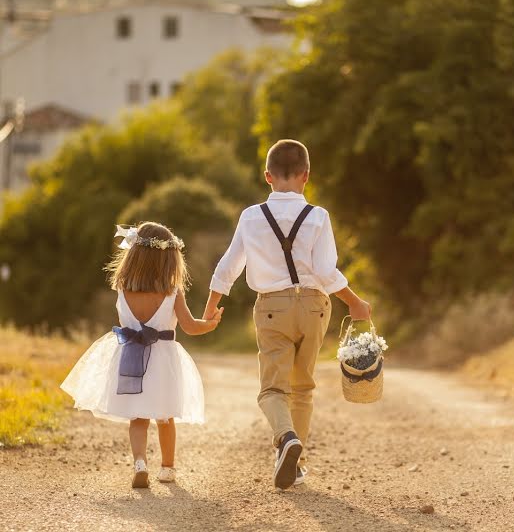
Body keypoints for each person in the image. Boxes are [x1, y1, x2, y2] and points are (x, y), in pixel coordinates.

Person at [204, 139, 371, 490]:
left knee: (272, 390)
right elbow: (326, 271)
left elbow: (230, 264)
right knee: (303, 388)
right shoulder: (319, 216)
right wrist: (354, 301)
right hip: (314, 306)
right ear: (306, 176)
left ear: (268, 176)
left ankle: (286, 438)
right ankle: (296, 464)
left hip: (272, 308)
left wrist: (210, 305)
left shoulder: (251, 216)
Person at [61, 222, 222, 488]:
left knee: (138, 417)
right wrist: (211, 323)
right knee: (165, 416)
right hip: (163, 360)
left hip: (130, 357)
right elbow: (191, 327)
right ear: (169, 259)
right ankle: (167, 469)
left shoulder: (123, 289)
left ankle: (139, 463)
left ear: (134, 256)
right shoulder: (172, 292)